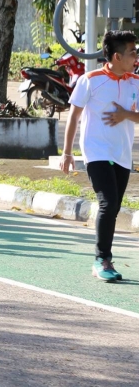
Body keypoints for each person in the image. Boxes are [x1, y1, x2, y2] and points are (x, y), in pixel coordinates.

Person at [61, 30, 139, 282]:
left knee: (114, 207)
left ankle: (103, 258)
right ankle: (102, 259)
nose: (136, 57)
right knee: (108, 203)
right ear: (117, 56)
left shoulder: (135, 82)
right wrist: (66, 152)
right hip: (96, 151)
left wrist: (125, 115)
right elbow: (74, 116)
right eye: (132, 52)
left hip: (122, 153)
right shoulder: (90, 80)